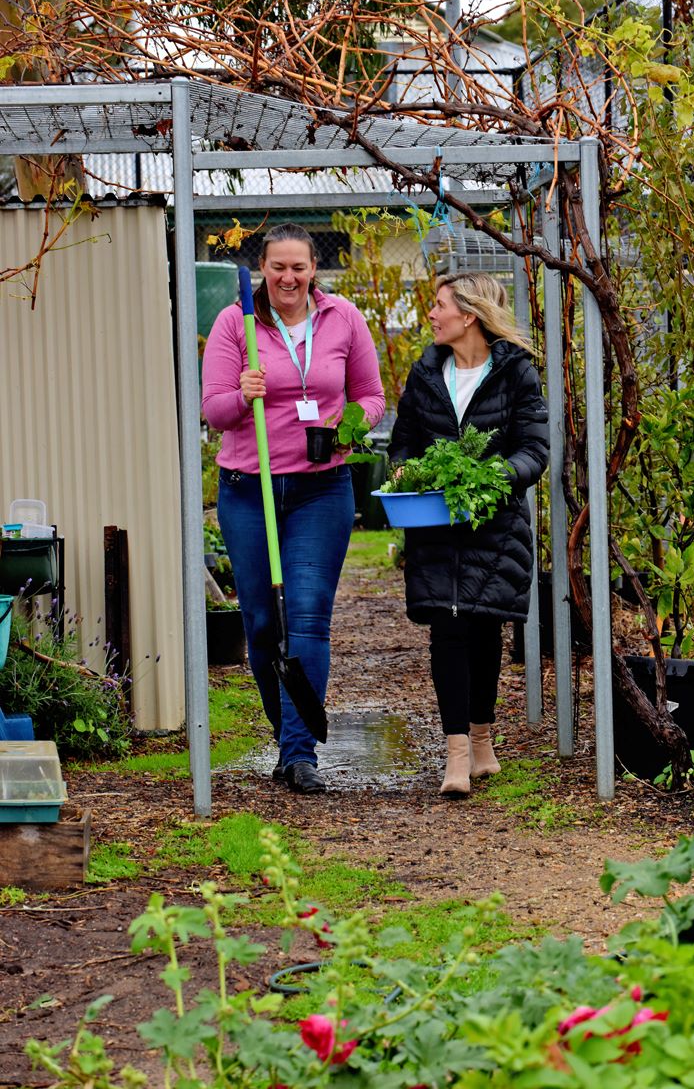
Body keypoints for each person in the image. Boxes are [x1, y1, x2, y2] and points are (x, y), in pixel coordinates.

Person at [202, 223, 385, 793]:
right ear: (262, 267)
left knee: (306, 617)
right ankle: (288, 731)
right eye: (278, 267)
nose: (288, 277)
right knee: (260, 622)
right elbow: (214, 410)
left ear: (314, 269)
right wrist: (243, 395)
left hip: (320, 489)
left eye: (298, 267)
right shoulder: (236, 323)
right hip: (248, 489)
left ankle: (299, 752)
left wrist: (349, 428)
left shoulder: (344, 319)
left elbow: (372, 396)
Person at [388, 271, 548, 797]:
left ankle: (482, 737)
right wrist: (407, 473)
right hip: (435, 523)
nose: (431, 315)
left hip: (493, 525)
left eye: (438, 306)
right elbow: (404, 442)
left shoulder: (517, 373)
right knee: (447, 627)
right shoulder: (425, 373)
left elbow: (534, 449)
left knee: (484, 629)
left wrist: (494, 478)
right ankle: (457, 751)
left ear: (470, 315)